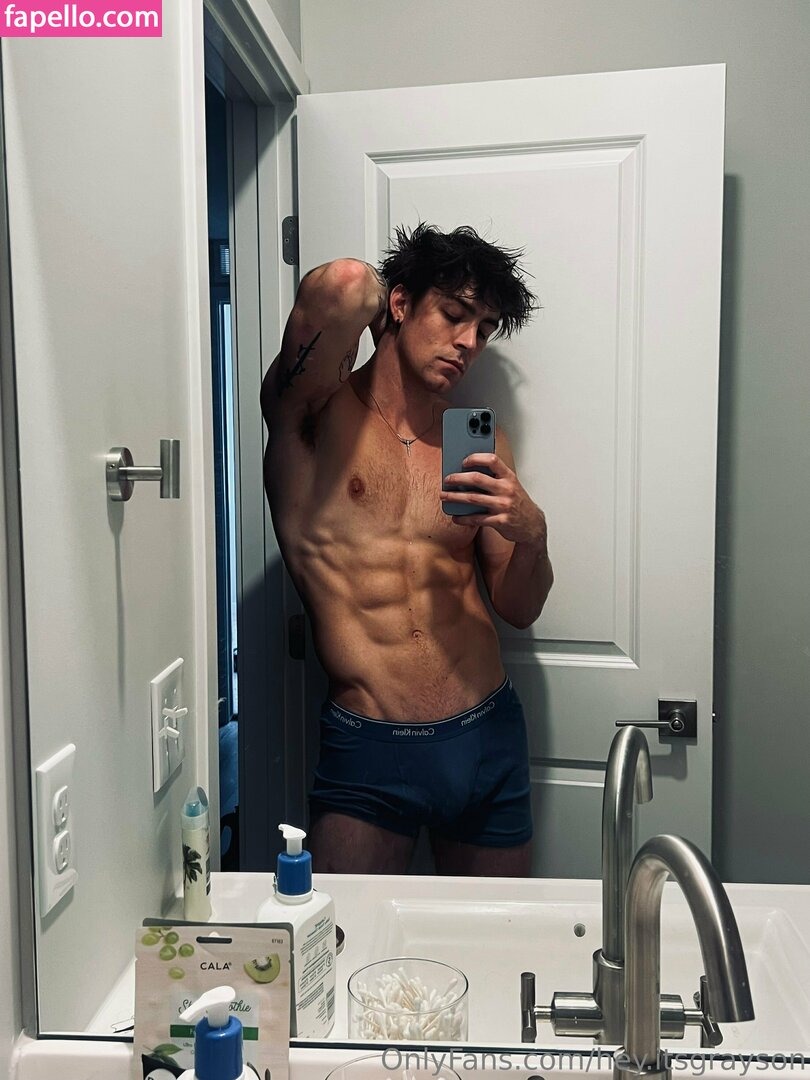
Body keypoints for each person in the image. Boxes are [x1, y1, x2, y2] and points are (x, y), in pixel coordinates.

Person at [260, 223, 553, 876]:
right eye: (453, 314)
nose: (469, 342)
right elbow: (342, 286)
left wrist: (532, 533)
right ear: (398, 304)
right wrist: (386, 292)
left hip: (488, 738)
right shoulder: (311, 418)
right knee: (346, 937)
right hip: (370, 752)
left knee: (497, 937)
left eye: (484, 329)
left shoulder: (475, 441)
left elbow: (519, 608)